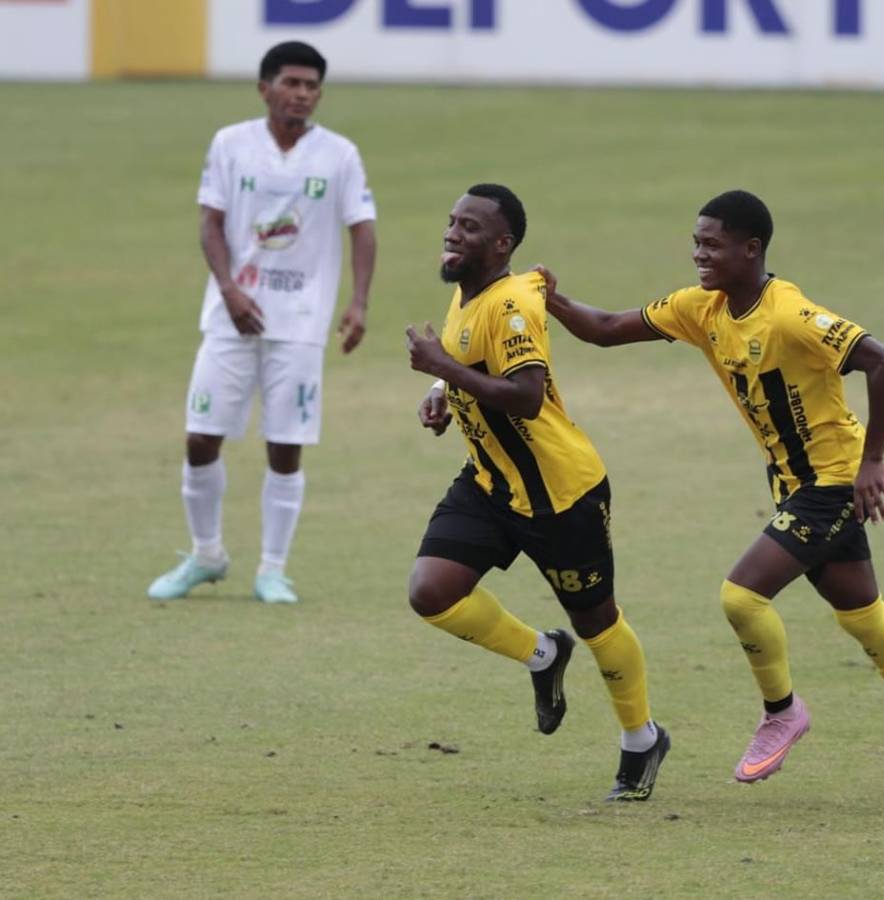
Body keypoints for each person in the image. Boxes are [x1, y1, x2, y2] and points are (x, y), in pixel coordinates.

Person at [537, 189, 884, 793]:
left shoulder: (790, 316)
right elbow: (608, 329)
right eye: (695, 242)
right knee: (864, 616)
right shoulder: (701, 308)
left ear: (751, 249)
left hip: (832, 481)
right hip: (794, 484)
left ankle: (782, 713)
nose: (698, 255)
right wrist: (551, 300)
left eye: (711, 244)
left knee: (742, 596)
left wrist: (873, 459)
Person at [404, 184, 669, 801]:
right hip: (491, 481)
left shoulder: (515, 303)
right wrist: (445, 397)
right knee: (432, 593)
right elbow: (474, 363)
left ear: (501, 245)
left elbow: (525, 395)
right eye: (450, 221)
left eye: (469, 228)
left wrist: (441, 369)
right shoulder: (467, 293)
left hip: (560, 494)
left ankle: (641, 739)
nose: (451, 233)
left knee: (598, 622)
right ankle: (543, 655)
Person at [147, 41, 377, 604]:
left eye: (311, 86)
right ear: (264, 88)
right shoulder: (231, 144)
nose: (301, 94)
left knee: (286, 445)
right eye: (291, 83)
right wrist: (228, 290)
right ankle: (206, 554)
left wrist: (359, 302)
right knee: (201, 438)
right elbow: (210, 222)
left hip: (299, 323)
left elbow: (362, 227)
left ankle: (272, 569)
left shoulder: (339, 154)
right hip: (230, 319)